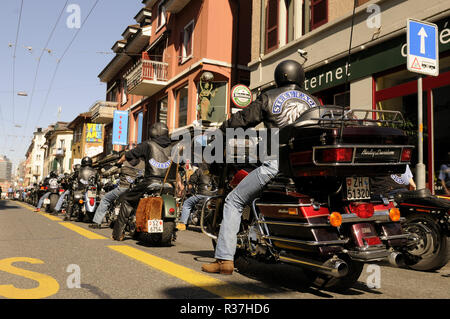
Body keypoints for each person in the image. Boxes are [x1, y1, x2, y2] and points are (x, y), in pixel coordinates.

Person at [201, 60, 321, 275]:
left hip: (276, 165)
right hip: (307, 166)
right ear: (301, 77)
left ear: (278, 76)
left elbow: (241, 120)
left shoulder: (268, 96)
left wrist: (221, 131)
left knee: (233, 201)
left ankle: (224, 261)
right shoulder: (314, 101)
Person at [111, 122, 174, 241]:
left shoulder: (148, 144)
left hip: (151, 181)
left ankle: (118, 234)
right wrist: (179, 184)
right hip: (169, 183)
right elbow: (176, 167)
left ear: (153, 132)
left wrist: (120, 160)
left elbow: (130, 154)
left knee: (128, 200)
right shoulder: (172, 147)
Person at [89, 157, 145, 229]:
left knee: (105, 199)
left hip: (123, 188)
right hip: (136, 189)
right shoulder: (142, 164)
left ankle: (97, 222)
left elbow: (107, 173)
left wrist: (102, 170)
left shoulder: (123, 165)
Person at [176, 162, 217, 231]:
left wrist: (185, 189)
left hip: (202, 195)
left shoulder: (199, 170)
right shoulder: (218, 171)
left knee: (187, 203)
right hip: (215, 196)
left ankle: (182, 224)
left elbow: (191, 184)